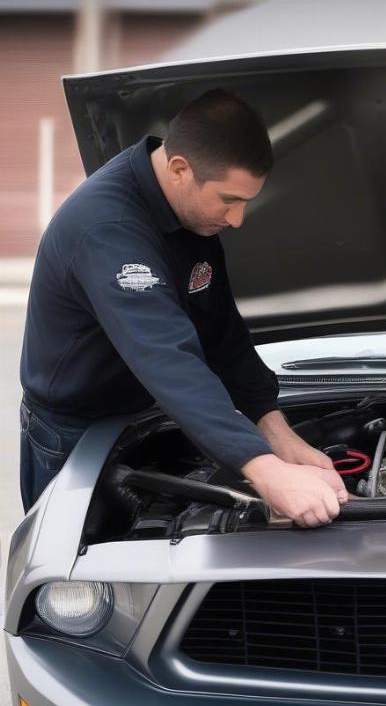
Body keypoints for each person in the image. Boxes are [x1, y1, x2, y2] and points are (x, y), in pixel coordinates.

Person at [19, 89, 347, 528]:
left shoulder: (189, 209)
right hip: (77, 431)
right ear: (179, 169)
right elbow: (167, 357)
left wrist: (277, 435)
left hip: (146, 410)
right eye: (230, 200)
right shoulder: (108, 231)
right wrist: (266, 471)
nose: (237, 220)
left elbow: (222, 334)